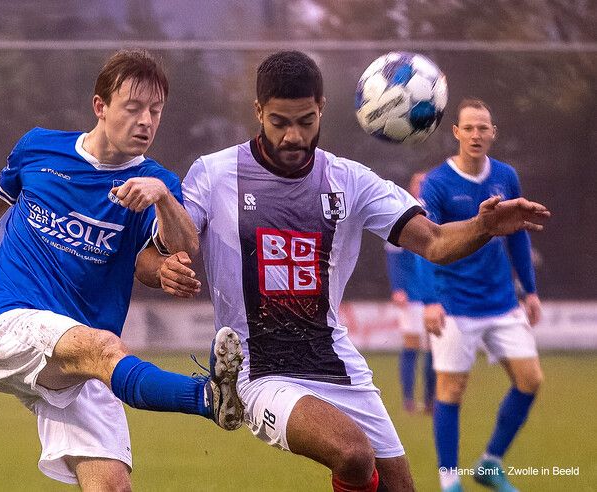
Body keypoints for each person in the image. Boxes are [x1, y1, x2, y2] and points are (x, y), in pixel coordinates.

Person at [158, 51, 549, 492]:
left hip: (336, 362)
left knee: (400, 488)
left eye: (305, 121)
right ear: (258, 113)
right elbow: (175, 242)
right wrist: (166, 239)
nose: (293, 136)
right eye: (279, 122)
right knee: (353, 454)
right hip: (258, 367)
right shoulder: (213, 174)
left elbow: (435, 242)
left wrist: (484, 226)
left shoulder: (351, 180)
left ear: (322, 108)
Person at [0, 49, 244, 490]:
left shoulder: (154, 182)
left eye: (155, 111)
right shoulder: (38, 148)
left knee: (111, 486)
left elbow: (179, 249)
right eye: (133, 107)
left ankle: (209, 398)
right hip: (8, 325)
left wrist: (162, 198)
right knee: (106, 347)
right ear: (100, 107)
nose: (146, 121)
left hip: (81, 360)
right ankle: (207, 397)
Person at [421, 98, 544, 492]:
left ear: (493, 133)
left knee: (530, 380)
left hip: (502, 301)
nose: (476, 134)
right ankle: (449, 481)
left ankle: (490, 463)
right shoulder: (437, 183)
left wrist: (531, 291)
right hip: (454, 303)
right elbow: (424, 243)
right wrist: (430, 300)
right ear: (456, 132)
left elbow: (519, 235)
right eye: (468, 128)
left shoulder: (506, 176)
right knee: (450, 390)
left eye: (483, 128)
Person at [384, 172, 436, 414]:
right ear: (411, 188)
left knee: (433, 348)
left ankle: (429, 401)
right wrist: (398, 288)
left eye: (427, 183)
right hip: (412, 294)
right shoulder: (403, 215)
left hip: (434, 295)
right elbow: (393, 257)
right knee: (412, 344)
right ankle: (408, 399)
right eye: (419, 183)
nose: (423, 187)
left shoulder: (438, 215)